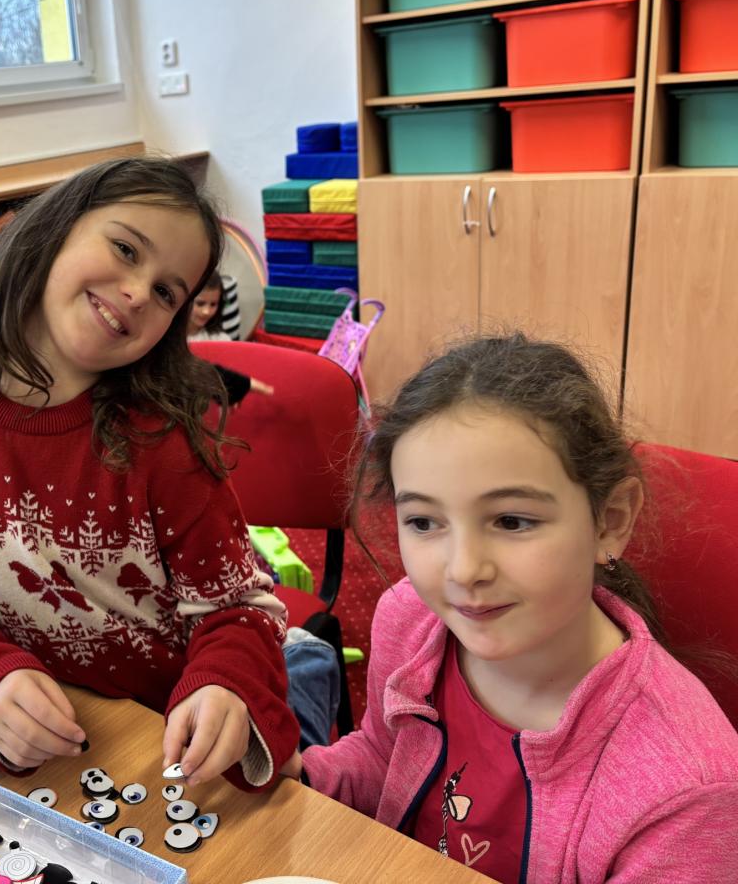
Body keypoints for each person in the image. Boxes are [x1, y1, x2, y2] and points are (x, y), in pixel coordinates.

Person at [0, 157, 298, 790]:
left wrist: (227, 683)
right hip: (39, 753)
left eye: (167, 293)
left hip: (163, 746)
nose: (138, 292)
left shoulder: (164, 442)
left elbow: (238, 607)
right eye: (125, 249)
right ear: (54, 232)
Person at [292, 334, 738, 882]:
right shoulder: (411, 617)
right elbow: (384, 758)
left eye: (511, 521)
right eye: (424, 522)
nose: (463, 571)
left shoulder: (689, 793)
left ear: (610, 520)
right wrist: (301, 777)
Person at [187, 271, 273, 404]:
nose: (206, 311)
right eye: (200, 303)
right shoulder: (167, 337)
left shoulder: (221, 340)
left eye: (213, 304)